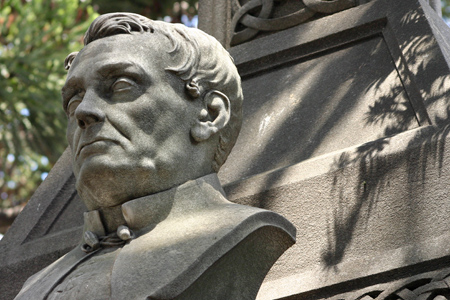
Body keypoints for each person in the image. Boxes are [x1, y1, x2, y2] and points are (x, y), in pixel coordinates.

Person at [15, 13, 295, 300]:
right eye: (73, 100)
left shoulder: (237, 234)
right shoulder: (33, 286)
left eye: (121, 85)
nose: (84, 112)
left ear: (209, 114)